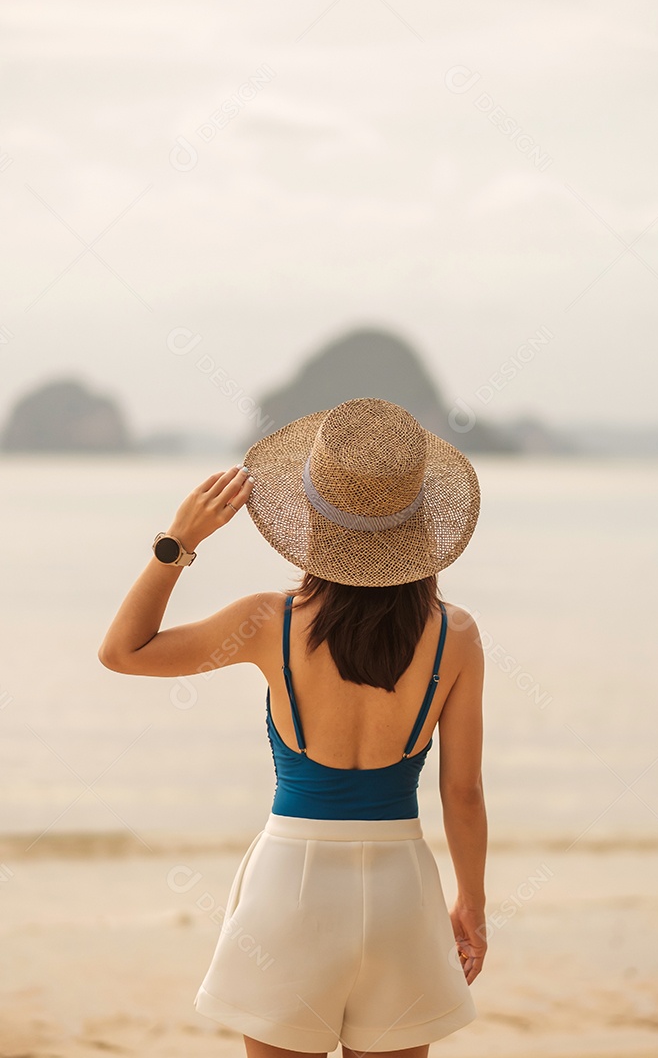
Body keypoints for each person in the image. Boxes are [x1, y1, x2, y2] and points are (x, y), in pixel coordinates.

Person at [98, 397, 488, 1058]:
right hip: (402, 892)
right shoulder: (457, 634)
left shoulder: (269, 621)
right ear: (421, 523)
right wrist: (471, 904)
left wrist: (178, 544)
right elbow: (464, 794)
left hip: (289, 892)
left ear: (310, 517)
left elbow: (123, 652)